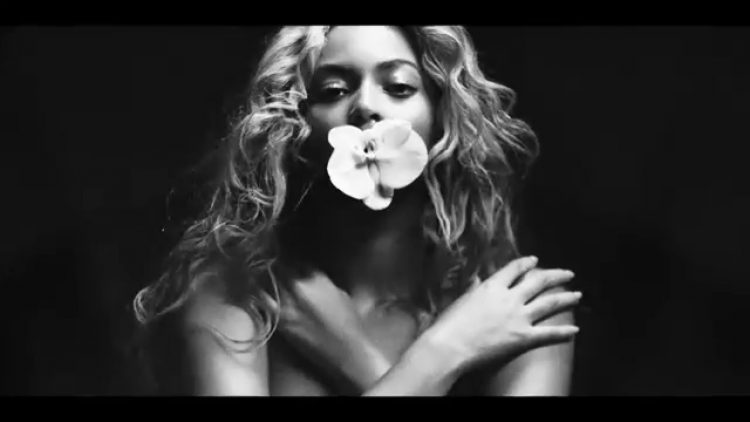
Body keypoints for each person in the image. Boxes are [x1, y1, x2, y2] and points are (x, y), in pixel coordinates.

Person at [133, 25, 581, 396]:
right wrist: (441, 356)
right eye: (333, 90)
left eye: (399, 87)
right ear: (294, 125)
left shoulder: (517, 308)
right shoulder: (238, 294)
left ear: (443, 117)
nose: (366, 106)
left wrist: (356, 353)